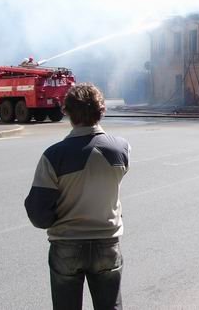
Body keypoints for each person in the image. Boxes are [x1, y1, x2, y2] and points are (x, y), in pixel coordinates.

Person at [24, 83, 131, 310]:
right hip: (107, 243)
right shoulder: (121, 149)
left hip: (66, 245)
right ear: (101, 111)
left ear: (67, 112)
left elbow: (38, 213)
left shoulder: (54, 156)